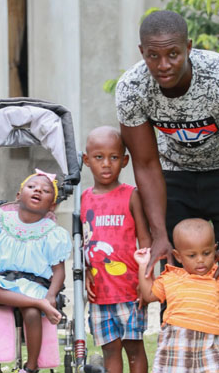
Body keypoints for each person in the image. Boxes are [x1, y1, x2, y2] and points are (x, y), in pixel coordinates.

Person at [115, 9, 219, 275]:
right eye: (153, 55)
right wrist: (160, 233)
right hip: (172, 171)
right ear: (142, 52)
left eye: (173, 54)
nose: (163, 65)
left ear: (188, 48)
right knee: (176, 268)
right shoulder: (132, 88)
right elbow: (146, 163)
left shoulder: (215, 78)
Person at [0, 170, 72, 373]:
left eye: (46, 190)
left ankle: (31, 367)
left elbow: (59, 272)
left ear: (52, 205)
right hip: (2, 282)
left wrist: (50, 296)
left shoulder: (52, 233)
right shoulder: (0, 219)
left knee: (31, 313)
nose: (38, 190)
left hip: (34, 285)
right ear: (18, 195)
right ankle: (36, 303)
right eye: (32, 187)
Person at [81, 126, 152, 373]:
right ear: (86, 160)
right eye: (98, 157)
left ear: (124, 161)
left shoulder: (131, 195)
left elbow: (145, 239)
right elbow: (84, 242)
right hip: (99, 293)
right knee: (110, 350)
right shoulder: (84, 198)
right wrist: (86, 270)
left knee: (134, 348)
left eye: (113, 157)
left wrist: (146, 280)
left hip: (130, 290)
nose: (106, 164)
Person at [134, 218, 219, 372]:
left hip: (210, 344)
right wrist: (143, 265)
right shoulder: (171, 277)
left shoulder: (216, 277)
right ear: (178, 256)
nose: (200, 260)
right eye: (192, 255)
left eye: (206, 253)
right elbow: (148, 295)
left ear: (215, 251)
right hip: (176, 343)